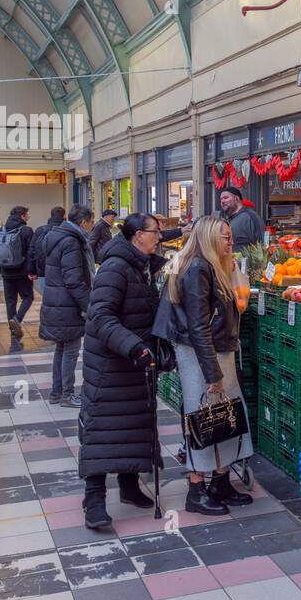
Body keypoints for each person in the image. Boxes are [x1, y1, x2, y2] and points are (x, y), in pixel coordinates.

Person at [153, 215, 254, 516]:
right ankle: (196, 488)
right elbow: (198, 326)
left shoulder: (211, 265)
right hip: (201, 353)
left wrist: (233, 271)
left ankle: (220, 481)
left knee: (225, 414)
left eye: (230, 235)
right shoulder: (197, 268)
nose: (230, 240)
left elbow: (235, 304)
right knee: (203, 417)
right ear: (209, 238)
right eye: (224, 236)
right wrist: (213, 373)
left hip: (216, 349)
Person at [78, 214, 169, 529]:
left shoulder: (140, 265)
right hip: (111, 366)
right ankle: (93, 500)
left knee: (134, 424)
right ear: (138, 235)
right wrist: (133, 346)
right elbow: (100, 316)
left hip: (132, 363)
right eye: (155, 231)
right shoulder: (117, 268)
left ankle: (129, 485)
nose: (160, 236)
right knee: (103, 431)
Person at [40, 204, 95, 407]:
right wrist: (88, 305)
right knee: (70, 349)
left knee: (62, 348)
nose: (91, 226)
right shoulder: (72, 241)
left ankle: (57, 392)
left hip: (57, 301)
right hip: (67, 304)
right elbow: (73, 279)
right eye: (91, 222)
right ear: (83, 222)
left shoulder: (57, 235)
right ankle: (67, 394)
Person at [0, 206, 35, 342]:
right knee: (28, 297)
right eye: (27, 214)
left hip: (6, 271)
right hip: (22, 271)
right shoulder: (26, 230)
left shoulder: (3, 230)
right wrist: (32, 271)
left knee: (10, 301)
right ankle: (17, 319)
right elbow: (31, 252)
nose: (29, 217)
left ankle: (13, 331)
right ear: (22, 216)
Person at [29, 205, 65, 298]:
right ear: (64, 216)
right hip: (62, 271)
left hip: (43, 271)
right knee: (62, 299)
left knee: (46, 299)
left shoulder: (40, 230)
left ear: (51, 216)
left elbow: (32, 251)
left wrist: (32, 271)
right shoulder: (67, 230)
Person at [218, 185, 263, 251]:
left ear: (236, 199)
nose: (222, 201)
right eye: (221, 199)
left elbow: (263, 241)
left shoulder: (250, 216)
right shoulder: (229, 220)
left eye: (226, 198)